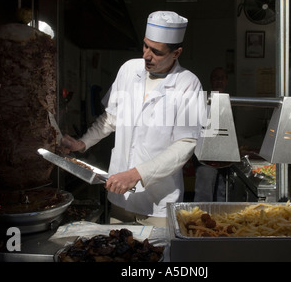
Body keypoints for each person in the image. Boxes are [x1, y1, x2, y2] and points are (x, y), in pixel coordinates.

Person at [61, 11, 203, 227]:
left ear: (176, 53)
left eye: (156, 51)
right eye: (145, 46)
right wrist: (83, 143)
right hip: (121, 199)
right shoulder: (129, 70)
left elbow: (185, 145)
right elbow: (111, 118)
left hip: (159, 205)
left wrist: (137, 174)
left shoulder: (188, 84)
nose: (147, 55)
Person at [193, 67, 229, 202]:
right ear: (211, 81)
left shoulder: (230, 102)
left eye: (222, 78)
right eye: (216, 78)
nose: (219, 81)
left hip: (225, 159)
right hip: (205, 159)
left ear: (226, 81)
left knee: (221, 195)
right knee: (204, 195)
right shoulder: (203, 101)